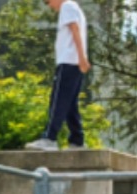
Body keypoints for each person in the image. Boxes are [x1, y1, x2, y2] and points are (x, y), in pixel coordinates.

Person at [25, 0, 91, 151]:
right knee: (70, 104)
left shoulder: (67, 6)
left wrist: (82, 57)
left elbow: (74, 29)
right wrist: (82, 59)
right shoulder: (75, 8)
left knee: (58, 100)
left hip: (68, 61)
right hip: (74, 63)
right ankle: (77, 140)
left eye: (48, 1)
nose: (49, 5)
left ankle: (50, 138)